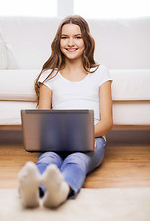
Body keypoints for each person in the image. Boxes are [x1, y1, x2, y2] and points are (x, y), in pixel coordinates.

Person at [18, 15, 113, 209]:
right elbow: (41, 119)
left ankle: (63, 190)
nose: (71, 43)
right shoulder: (49, 75)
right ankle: (34, 190)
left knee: (76, 159)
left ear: (86, 41)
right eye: (65, 37)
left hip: (91, 138)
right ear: (58, 41)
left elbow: (107, 122)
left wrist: (79, 136)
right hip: (56, 139)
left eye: (77, 37)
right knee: (48, 158)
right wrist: (56, 137)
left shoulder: (100, 72)